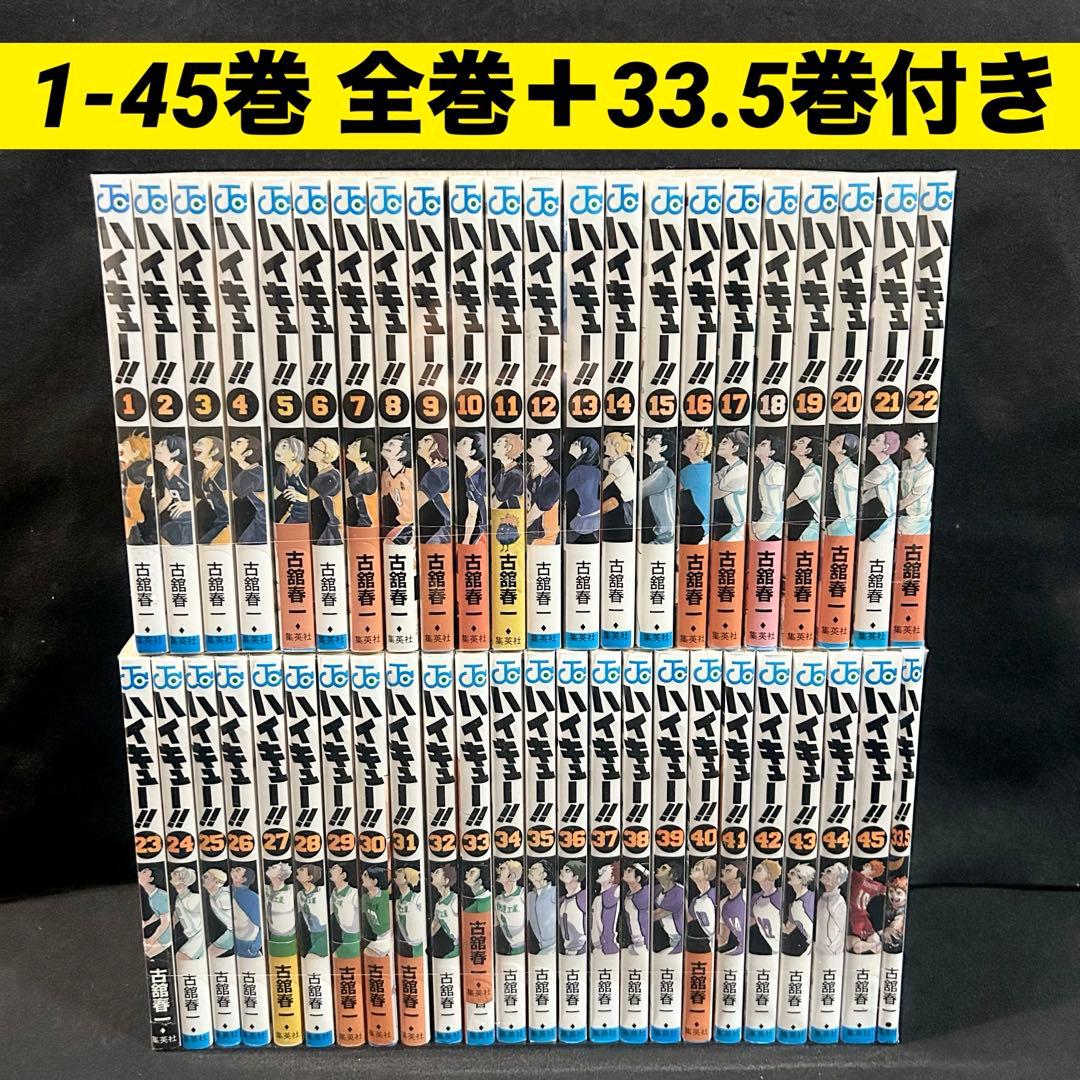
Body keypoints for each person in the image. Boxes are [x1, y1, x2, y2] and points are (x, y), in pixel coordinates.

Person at [860, 432, 901, 543]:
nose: (872, 440)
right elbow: (872, 493)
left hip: (889, 521)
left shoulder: (884, 469)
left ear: (885, 447)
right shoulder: (891, 467)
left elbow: (859, 487)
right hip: (890, 520)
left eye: (877, 440)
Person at [154, 434, 194, 545]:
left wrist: (190, 504)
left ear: (175, 453)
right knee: (161, 535)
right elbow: (167, 498)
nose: (156, 446)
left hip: (191, 522)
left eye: (162, 445)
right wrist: (154, 515)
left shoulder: (186, 471)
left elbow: (204, 495)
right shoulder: (165, 473)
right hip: (177, 520)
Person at [119, 432, 157, 544]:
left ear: (135, 453)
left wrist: (156, 483)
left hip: (131, 520)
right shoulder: (124, 467)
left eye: (125, 445)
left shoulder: (135, 468)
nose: (120, 445)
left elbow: (152, 470)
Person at [192, 435, 230, 544]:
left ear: (214, 451)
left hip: (229, 524)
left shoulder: (224, 473)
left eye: (200, 444)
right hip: (218, 521)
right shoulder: (201, 475)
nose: (194, 445)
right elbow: (198, 497)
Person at [712, 431, 749, 541]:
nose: (719, 444)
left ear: (735, 448)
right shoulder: (727, 468)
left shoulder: (739, 472)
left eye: (724, 442)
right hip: (736, 525)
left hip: (741, 528)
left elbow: (713, 494)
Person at [229, 435, 267, 544]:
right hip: (261, 521)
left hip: (263, 524)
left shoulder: (250, 474)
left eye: (238, 442)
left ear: (248, 453)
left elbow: (227, 498)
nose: (231, 443)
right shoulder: (257, 470)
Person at [639, 432, 676, 544]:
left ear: (663, 448)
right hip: (659, 534)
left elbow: (636, 491)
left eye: (653, 440)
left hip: (664, 537)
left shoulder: (664, 473)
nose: (648, 440)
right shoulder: (653, 469)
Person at [678, 430, 712, 545]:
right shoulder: (709, 467)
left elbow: (668, 489)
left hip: (707, 531)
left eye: (689, 440)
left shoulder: (691, 471)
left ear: (699, 447)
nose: (684, 441)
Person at [416, 433, 451, 545]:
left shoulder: (436, 474)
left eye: (426, 440)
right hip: (450, 529)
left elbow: (414, 505)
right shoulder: (442, 470)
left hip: (452, 530)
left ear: (435, 446)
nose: (419, 442)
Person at [564, 437, 601, 543]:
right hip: (596, 511)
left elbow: (562, 489)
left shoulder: (578, 471)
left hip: (586, 514)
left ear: (584, 450)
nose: (571, 444)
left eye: (576, 443)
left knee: (567, 540)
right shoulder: (596, 471)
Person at [600, 432, 635, 544]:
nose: (604, 444)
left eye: (607, 443)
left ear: (616, 446)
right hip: (623, 499)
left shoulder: (621, 462)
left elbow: (606, 482)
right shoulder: (614, 460)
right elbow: (605, 464)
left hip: (626, 502)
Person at [525, 432, 560, 544]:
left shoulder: (553, 481)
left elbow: (530, 517)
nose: (532, 439)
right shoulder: (528, 468)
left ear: (548, 452)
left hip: (539, 538)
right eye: (536, 436)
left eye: (539, 440)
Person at [897, 431, 934, 535]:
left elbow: (912, 496)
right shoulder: (905, 464)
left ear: (924, 444)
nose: (909, 440)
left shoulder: (927, 470)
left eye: (916, 438)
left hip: (917, 521)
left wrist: (893, 508)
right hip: (904, 517)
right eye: (910, 437)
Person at [454, 432, 488, 545]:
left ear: (472, 452)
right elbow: (472, 514)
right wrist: (466, 540)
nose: (458, 443)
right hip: (484, 530)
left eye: (463, 443)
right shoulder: (469, 475)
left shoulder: (482, 476)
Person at [786, 435, 822, 540]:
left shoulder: (812, 475)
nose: (795, 441)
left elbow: (788, 503)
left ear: (807, 451)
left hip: (817, 528)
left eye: (801, 442)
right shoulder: (814, 470)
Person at [380, 435, 414, 545]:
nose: (385, 445)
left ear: (402, 454)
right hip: (401, 523)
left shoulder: (410, 474)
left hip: (413, 525)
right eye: (386, 443)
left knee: (389, 543)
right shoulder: (385, 475)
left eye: (392, 444)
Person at [847, 859, 886, 954]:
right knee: (872, 941)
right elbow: (885, 890)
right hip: (865, 917)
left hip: (855, 917)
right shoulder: (877, 886)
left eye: (868, 866)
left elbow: (848, 870)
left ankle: (874, 944)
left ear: (873, 871)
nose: (864, 865)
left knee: (853, 945)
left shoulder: (858, 877)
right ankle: (876, 942)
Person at [308, 436, 343, 543]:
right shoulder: (327, 473)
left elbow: (305, 497)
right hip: (333, 526)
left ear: (326, 455)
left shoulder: (329, 477)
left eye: (315, 448)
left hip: (338, 529)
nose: (310, 449)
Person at [751, 437, 785, 542]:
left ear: (771, 452)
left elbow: (779, 510)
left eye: (763, 445)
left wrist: (761, 533)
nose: (757, 446)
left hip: (774, 522)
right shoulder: (764, 472)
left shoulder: (777, 471)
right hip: (766, 519)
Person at [825, 433, 859, 536]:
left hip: (849, 524)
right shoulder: (839, 470)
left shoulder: (850, 471)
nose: (832, 441)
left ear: (843, 451)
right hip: (843, 521)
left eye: (837, 442)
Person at [169, 866, 205, 960]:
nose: (171, 873)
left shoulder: (194, 898)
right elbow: (177, 916)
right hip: (192, 937)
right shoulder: (179, 898)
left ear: (182, 880)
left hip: (200, 936)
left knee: (180, 958)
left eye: (175, 873)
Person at [272, 436, 310, 525]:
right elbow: (276, 492)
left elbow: (319, 498)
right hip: (293, 513)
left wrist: (300, 496)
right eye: (278, 446)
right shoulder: (282, 470)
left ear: (294, 453)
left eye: (284, 447)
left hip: (308, 516)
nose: (277, 450)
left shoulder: (306, 472)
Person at [814, 864, 848, 958]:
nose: (823, 873)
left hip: (831, 955)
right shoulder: (822, 899)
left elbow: (841, 930)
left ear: (838, 879)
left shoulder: (839, 902)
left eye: (828, 872)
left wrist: (831, 949)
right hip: (819, 951)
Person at [748, 859, 782, 954]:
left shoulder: (780, 894)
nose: (754, 871)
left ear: (769, 874)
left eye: (759, 870)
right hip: (772, 947)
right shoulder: (755, 898)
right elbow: (750, 920)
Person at [781, 864, 816, 955]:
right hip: (810, 946)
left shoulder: (812, 897)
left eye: (792, 873)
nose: (788, 875)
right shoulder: (793, 906)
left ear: (802, 879)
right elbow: (787, 929)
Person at [344, 437, 378, 530]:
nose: (349, 446)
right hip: (363, 523)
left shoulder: (366, 478)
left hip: (369, 526)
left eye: (354, 446)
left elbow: (340, 494)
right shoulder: (357, 472)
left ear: (363, 454)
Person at [229, 866, 263, 958]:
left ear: (243, 879)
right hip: (230, 942)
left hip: (247, 945)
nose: (232, 869)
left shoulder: (252, 898)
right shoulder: (226, 892)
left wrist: (254, 948)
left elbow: (262, 925)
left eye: (237, 870)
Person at [264, 862, 296, 959]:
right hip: (271, 933)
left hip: (287, 935)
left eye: (273, 867)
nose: (269, 866)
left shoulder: (290, 891)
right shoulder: (265, 889)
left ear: (280, 874)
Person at [494, 859, 526, 956]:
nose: (497, 871)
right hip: (511, 948)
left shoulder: (523, 894)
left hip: (524, 948)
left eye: (502, 869)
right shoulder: (498, 899)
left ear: (512, 875)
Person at [652, 861, 685, 954]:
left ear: (671, 875)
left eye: (663, 868)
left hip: (681, 939)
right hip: (672, 938)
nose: (658, 869)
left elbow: (656, 915)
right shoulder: (658, 889)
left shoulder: (678, 892)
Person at [329, 864, 360, 960]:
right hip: (343, 934)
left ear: (343, 875)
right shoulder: (334, 892)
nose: (330, 870)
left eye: (334, 868)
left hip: (354, 938)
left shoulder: (354, 893)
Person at [360, 868, 393, 958]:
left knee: (367, 953)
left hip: (388, 935)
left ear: (374, 882)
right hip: (378, 936)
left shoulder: (385, 895)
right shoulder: (365, 898)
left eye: (365, 875)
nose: (362, 877)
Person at [139, 867, 172, 958]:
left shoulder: (159, 897)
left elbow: (165, 923)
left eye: (144, 872)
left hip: (165, 936)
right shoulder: (154, 895)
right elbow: (159, 913)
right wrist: (147, 922)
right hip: (164, 935)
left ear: (150, 879)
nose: (139, 872)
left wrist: (151, 940)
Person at [686, 857, 717, 953]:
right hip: (709, 945)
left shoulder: (715, 894)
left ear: (706, 875)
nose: (692, 870)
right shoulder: (695, 901)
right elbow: (687, 919)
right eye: (694, 868)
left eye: (697, 869)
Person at [429, 865, 460, 959]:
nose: (432, 874)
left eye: (437, 873)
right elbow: (434, 926)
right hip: (456, 945)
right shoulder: (438, 905)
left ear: (445, 881)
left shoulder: (455, 900)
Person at [526, 862, 557, 954]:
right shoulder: (530, 896)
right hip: (541, 947)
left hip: (554, 947)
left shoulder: (554, 892)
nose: (529, 870)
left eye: (534, 869)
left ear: (544, 875)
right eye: (530, 868)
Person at [558, 860, 588, 955]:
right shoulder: (561, 900)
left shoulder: (583, 896)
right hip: (567, 951)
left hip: (581, 950)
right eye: (562, 869)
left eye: (567, 870)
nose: (561, 871)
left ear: (576, 877)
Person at [202, 868, 234, 957]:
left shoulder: (224, 897)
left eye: (205, 877)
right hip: (233, 932)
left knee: (209, 954)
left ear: (216, 882)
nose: (202, 878)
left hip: (238, 932)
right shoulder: (213, 895)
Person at [394, 867, 425, 958]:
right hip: (410, 943)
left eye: (399, 872)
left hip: (420, 943)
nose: (395, 873)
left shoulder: (417, 898)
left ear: (406, 879)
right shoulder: (398, 902)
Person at [590, 860, 620, 956]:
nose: (600, 870)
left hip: (608, 947)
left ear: (612, 878)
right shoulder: (598, 898)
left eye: (604, 870)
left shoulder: (614, 892)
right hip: (598, 947)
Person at [716, 863, 746, 955]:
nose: (723, 872)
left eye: (728, 870)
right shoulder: (722, 903)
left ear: (738, 878)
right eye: (723, 870)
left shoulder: (746, 895)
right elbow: (723, 939)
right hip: (739, 949)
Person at [621, 863, 650, 955]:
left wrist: (643, 869)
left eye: (629, 871)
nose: (625, 872)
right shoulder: (629, 893)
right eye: (626, 870)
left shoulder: (644, 893)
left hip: (643, 940)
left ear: (638, 878)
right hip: (635, 939)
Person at [881, 874, 909, 954]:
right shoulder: (887, 906)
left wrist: (891, 928)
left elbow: (899, 919)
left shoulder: (903, 909)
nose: (894, 896)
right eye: (891, 891)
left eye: (899, 893)